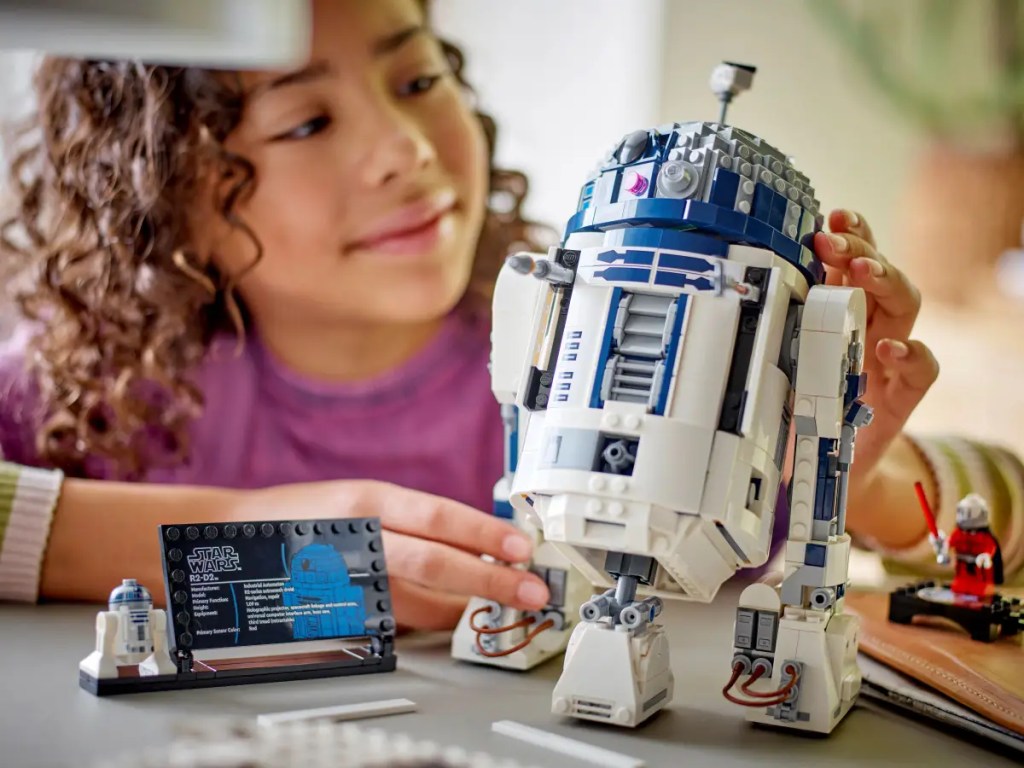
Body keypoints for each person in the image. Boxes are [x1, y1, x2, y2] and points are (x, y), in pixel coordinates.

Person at [0, 0, 1003, 630]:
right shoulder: (84, 394)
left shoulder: (627, 374)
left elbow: (995, 515)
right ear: (163, 192)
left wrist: (857, 464)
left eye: (418, 77)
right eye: (306, 120)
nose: (406, 148)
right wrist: (204, 541)